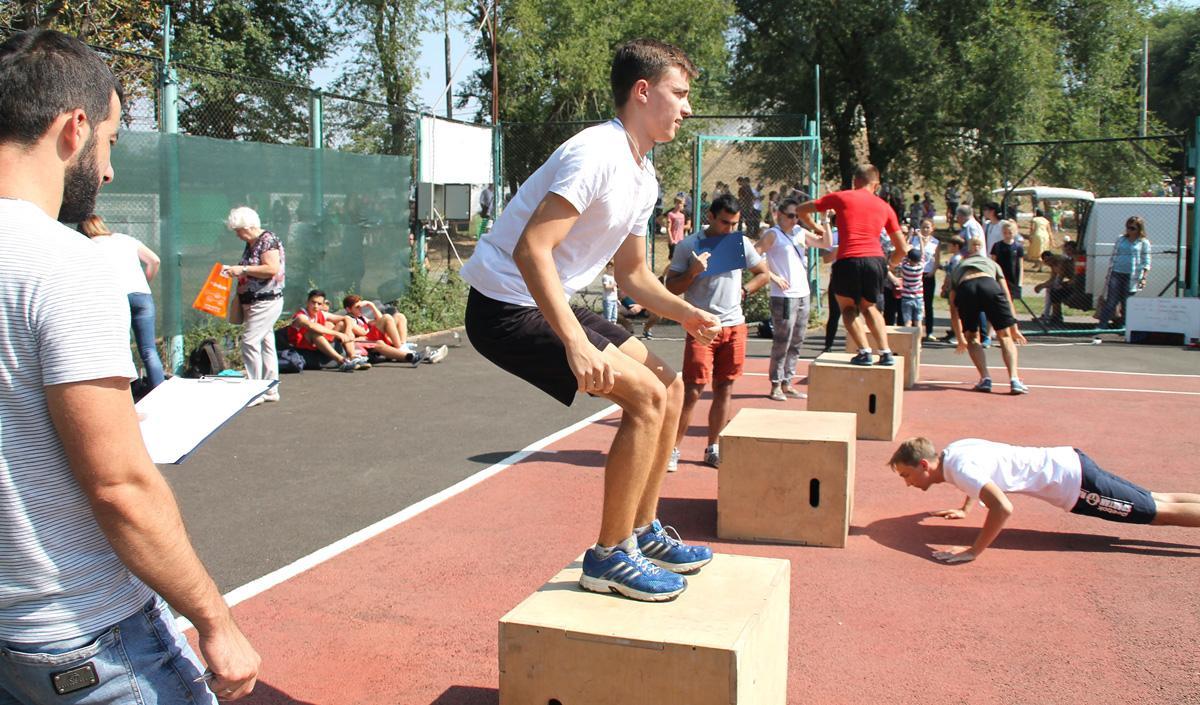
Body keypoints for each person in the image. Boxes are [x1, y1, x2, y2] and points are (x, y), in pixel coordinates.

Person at [0, 29, 259, 702]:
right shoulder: (64, 264)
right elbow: (119, 486)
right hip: (82, 636)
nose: (108, 170)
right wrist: (215, 619)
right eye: (110, 141)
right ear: (73, 128)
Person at [458, 39, 722, 602]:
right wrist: (576, 343)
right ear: (643, 91)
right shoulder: (595, 153)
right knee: (645, 399)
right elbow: (533, 250)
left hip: (548, 299)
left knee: (670, 389)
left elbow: (632, 275)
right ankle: (607, 558)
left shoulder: (642, 174)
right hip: (505, 307)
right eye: (680, 94)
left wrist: (686, 311)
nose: (687, 107)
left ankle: (644, 532)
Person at [888, 437, 1200, 564]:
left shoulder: (960, 469)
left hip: (1076, 485)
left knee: (1156, 512)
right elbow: (981, 474)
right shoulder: (955, 452)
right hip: (1071, 462)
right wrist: (965, 507)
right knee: (1155, 498)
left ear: (924, 465)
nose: (907, 483)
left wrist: (973, 551)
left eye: (906, 475)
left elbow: (1003, 507)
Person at [666, 194, 779, 470]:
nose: (730, 229)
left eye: (734, 223)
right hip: (701, 327)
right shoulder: (689, 245)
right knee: (692, 390)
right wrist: (692, 273)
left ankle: (713, 448)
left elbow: (763, 273)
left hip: (734, 326)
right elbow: (670, 288)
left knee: (724, 388)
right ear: (711, 218)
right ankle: (672, 449)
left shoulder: (738, 243)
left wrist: (744, 291)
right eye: (725, 223)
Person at [797, 164, 906, 366]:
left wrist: (817, 228)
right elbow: (903, 249)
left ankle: (864, 352)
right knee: (870, 307)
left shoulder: (841, 197)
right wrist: (889, 265)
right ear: (876, 185)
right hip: (875, 260)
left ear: (855, 181)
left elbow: (801, 209)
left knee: (848, 309)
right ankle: (885, 352)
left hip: (848, 259)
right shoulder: (885, 206)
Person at [78, 214, 165, 391]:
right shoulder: (125, 239)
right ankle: (160, 391)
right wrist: (145, 281)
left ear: (84, 230)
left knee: (120, 347)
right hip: (142, 295)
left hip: (115, 297)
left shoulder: (88, 245)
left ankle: (130, 391)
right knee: (149, 349)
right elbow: (154, 260)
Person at [757, 197, 821, 401]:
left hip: (802, 294)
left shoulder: (800, 232)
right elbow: (754, 254)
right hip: (783, 296)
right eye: (791, 216)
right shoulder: (773, 234)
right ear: (780, 215)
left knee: (797, 340)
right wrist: (772, 276)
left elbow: (825, 242)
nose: (795, 220)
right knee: (782, 340)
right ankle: (775, 384)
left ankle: (788, 382)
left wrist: (826, 221)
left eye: (798, 216)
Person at [947, 237, 1029, 394]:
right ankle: (1014, 380)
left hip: (967, 287)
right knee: (1004, 336)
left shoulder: (958, 267)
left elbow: (953, 307)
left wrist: (960, 338)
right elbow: (1006, 294)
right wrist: (1014, 328)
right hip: (988, 285)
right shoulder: (993, 264)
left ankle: (985, 378)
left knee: (971, 337)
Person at [222, 206, 285, 403]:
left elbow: (271, 268)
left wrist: (243, 269)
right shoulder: (252, 243)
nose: (238, 235)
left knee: (249, 341)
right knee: (266, 342)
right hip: (254, 300)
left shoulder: (267, 240)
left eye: (239, 230)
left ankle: (255, 390)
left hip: (266, 300)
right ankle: (269, 388)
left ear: (249, 226)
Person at [342, 294, 446, 366]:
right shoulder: (349, 319)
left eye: (361, 307)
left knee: (399, 316)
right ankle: (403, 348)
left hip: (373, 336)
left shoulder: (362, 317)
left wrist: (371, 305)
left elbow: (378, 319)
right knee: (387, 317)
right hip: (367, 340)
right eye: (357, 307)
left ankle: (403, 346)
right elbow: (363, 332)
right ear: (348, 309)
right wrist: (377, 324)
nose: (360, 309)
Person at [286, 289, 364, 372]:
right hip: (302, 350)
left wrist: (347, 331)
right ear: (307, 302)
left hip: (318, 347)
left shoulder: (321, 313)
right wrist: (337, 334)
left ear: (322, 305)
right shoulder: (300, 316)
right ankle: (342, 361)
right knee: (315, 333)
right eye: (313, 302)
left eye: (319, 304)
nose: (316, 306)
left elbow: (347, 318)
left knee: (342, 324)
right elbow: (312, 326)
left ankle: (352, 357)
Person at [1097, 216, 1151, 328]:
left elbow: (1147, 261)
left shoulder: (1143, 242)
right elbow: (1114, 255)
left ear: (1139, 229)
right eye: (1128, 227)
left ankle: (1124, 325)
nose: (1129, 230)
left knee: (1126, 302)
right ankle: (1102, 324)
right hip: (1117, 272)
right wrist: (1109, 272)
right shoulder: (1121, 239)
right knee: (1112, 300)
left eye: (1132, 228)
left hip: (1132, 275)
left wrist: (1144, 277)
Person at [911, 218, 940, 340]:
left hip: (928, 274)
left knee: (928, 304)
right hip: (916, 274)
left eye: (928, 227)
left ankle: (929, 331)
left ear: (932, 228)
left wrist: (933, 272)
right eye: (923, 227)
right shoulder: (915, 240)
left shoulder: (935, 242)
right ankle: (914, 329)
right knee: (914, 302)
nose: (925, 229)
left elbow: (937, 259)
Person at [1033, 250, 1073, 323]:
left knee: (1053, 290)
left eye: (1049, 260)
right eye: (1046, 261)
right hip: (1069, 282)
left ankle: (1051, 316)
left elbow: (1059, 278)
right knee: (1049, 289)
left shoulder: (1061, 261)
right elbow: (1052, 279)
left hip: (1075, 282)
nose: (1048, 262)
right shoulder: (1053, 265)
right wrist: (1042, 286)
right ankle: (1046, 315)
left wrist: (1045, 286)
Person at [989, 219, 1024, 300]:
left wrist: (1020, 284)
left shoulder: (1018, 247)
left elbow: (1020, 266)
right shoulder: (997, 246)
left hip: (1013, 279)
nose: (1007, 235)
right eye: (1005, 233)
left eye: (1010, 233)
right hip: (1000, 278)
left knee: (1010, 301)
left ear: (1015, 233)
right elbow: (993, 263)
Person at [895, 247, 926, 328]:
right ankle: (918, 341)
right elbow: (923, 254)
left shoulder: (905, 267)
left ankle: (907, 340)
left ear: (909, 259)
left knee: (907, 322)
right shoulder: (921, 268)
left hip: (906, 298)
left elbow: (903, 255)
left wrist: (908, 237)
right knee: (918, 322)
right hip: (918, 298)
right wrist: (920, 238)